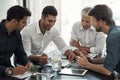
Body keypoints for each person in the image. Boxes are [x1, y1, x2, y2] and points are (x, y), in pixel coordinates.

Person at [76, 4, 120, 78]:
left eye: (93, 21)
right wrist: (92, 61)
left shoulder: (113, 37)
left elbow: (107, 71)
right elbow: (111, 58)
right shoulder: (117, 30)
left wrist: (86, 65)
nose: (92, 24)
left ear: (100, 22)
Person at [0, 5, 33, 75]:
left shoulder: (17, 35)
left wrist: (28, 62)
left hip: (8, 73)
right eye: (23, 22)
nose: (25, 25)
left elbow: (21, 54)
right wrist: (10, 71)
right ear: (14, 21)